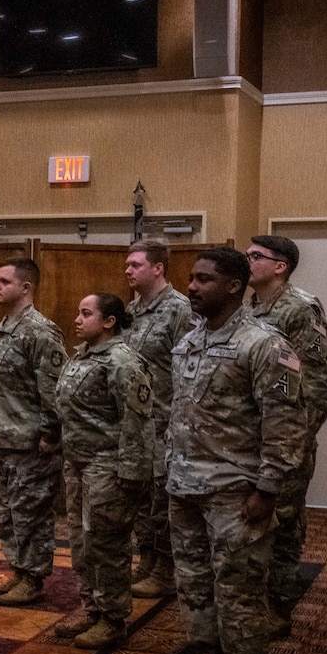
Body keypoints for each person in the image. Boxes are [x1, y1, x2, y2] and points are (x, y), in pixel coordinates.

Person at [155, 248, 306, 654]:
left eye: (204, 279)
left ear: (234, 286)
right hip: (185, 484)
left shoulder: (265, 345)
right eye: (192, 278)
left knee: (238, 586)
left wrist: (269, 488)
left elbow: (285, 423)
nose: (193, 287)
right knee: (195, 584)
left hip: (235, 490)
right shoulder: (191, 339)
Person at [53, 293, 153, 652]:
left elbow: (137, 421)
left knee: (106, 542)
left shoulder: (122, 361)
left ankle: (113, 617)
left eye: (86, 313)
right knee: (81, 542)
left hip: (108, 465)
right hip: (78, 461)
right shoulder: (81, 356)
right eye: (77, 312)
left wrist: (131, 471)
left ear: (109, 321)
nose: (77, 319)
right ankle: (91, 607)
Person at [245, 234, 327, 637]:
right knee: (252, 525)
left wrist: (295, 442)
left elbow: (313, 382)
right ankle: (252, 599)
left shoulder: (299, 308)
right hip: (249, 437)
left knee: (283, 523)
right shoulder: (249, 305)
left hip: (286, 439)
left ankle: (278, 606)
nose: (248, 261)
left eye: (256, 256)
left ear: (280, 266)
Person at [0, 257, 65, 607]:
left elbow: (54, 389)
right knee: (8, 512)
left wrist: (50, 433)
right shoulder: (2, 329)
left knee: (31, 514)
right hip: (1, 439)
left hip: (31, 442)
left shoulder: (40, 332)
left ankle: (33, 576)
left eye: (5, 281)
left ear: (26, 288)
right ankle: (18, 569)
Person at [121, 238, 193, 599]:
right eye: (128, 264)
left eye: (135, 264)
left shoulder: (180, 309)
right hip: (136, 424)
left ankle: (165, 569)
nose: (128, 270)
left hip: (166, 422)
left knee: (163, 502)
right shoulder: (133, 310)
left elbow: (188, 368)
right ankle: (147, 561)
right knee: (141, 500)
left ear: (158, 268)